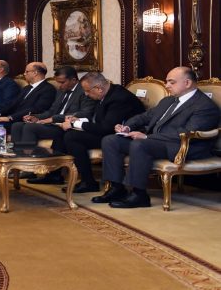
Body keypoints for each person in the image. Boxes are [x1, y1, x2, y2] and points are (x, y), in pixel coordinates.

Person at [94, 67, 220, 208]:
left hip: (182, 146)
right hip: (157, 142)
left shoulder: (204, 106)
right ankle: (116, 188)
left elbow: (187, 132)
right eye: (167, 82)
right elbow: (144, 117)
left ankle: (139, 195)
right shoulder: (168, 100)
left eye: (171, 82)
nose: (167, 85)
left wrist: (147, 137)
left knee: (140, 144)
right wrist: (127, 127)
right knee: (111, 140)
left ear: (187, 83)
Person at [52, 72, 145, 193]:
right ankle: (53, 175)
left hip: (121, 137)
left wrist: (75, 124)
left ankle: (88, 182)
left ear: (98, 89)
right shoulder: (106, 93)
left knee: (72, 136)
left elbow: (106, 128)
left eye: (87, 91)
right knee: (60, 132)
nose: (86, 94)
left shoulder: (119, 98)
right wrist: (77, 120)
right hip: (107, 131)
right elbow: (99, 120)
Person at [11, 66, 97, 185]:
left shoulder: (85, 91)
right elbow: (52, 110)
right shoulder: (61, 90)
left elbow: (84, 113)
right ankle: (17, 165)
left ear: (73, 80)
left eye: (62, 82)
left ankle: (29, 168)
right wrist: (37, 117)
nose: (59, 86)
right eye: (58, 82)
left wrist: (52, 119)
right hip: (53, 124)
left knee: (30, 127)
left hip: (67, 126)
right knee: (17, 125)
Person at [0, 62, 56, 132]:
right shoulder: (27, 88)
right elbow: (13, 103)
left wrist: (10, 117)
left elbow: (36, 109)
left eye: (27, 71)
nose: (24, 74)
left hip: (24, 120)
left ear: (35, 73)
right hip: (14, 117)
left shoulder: (48, 89)